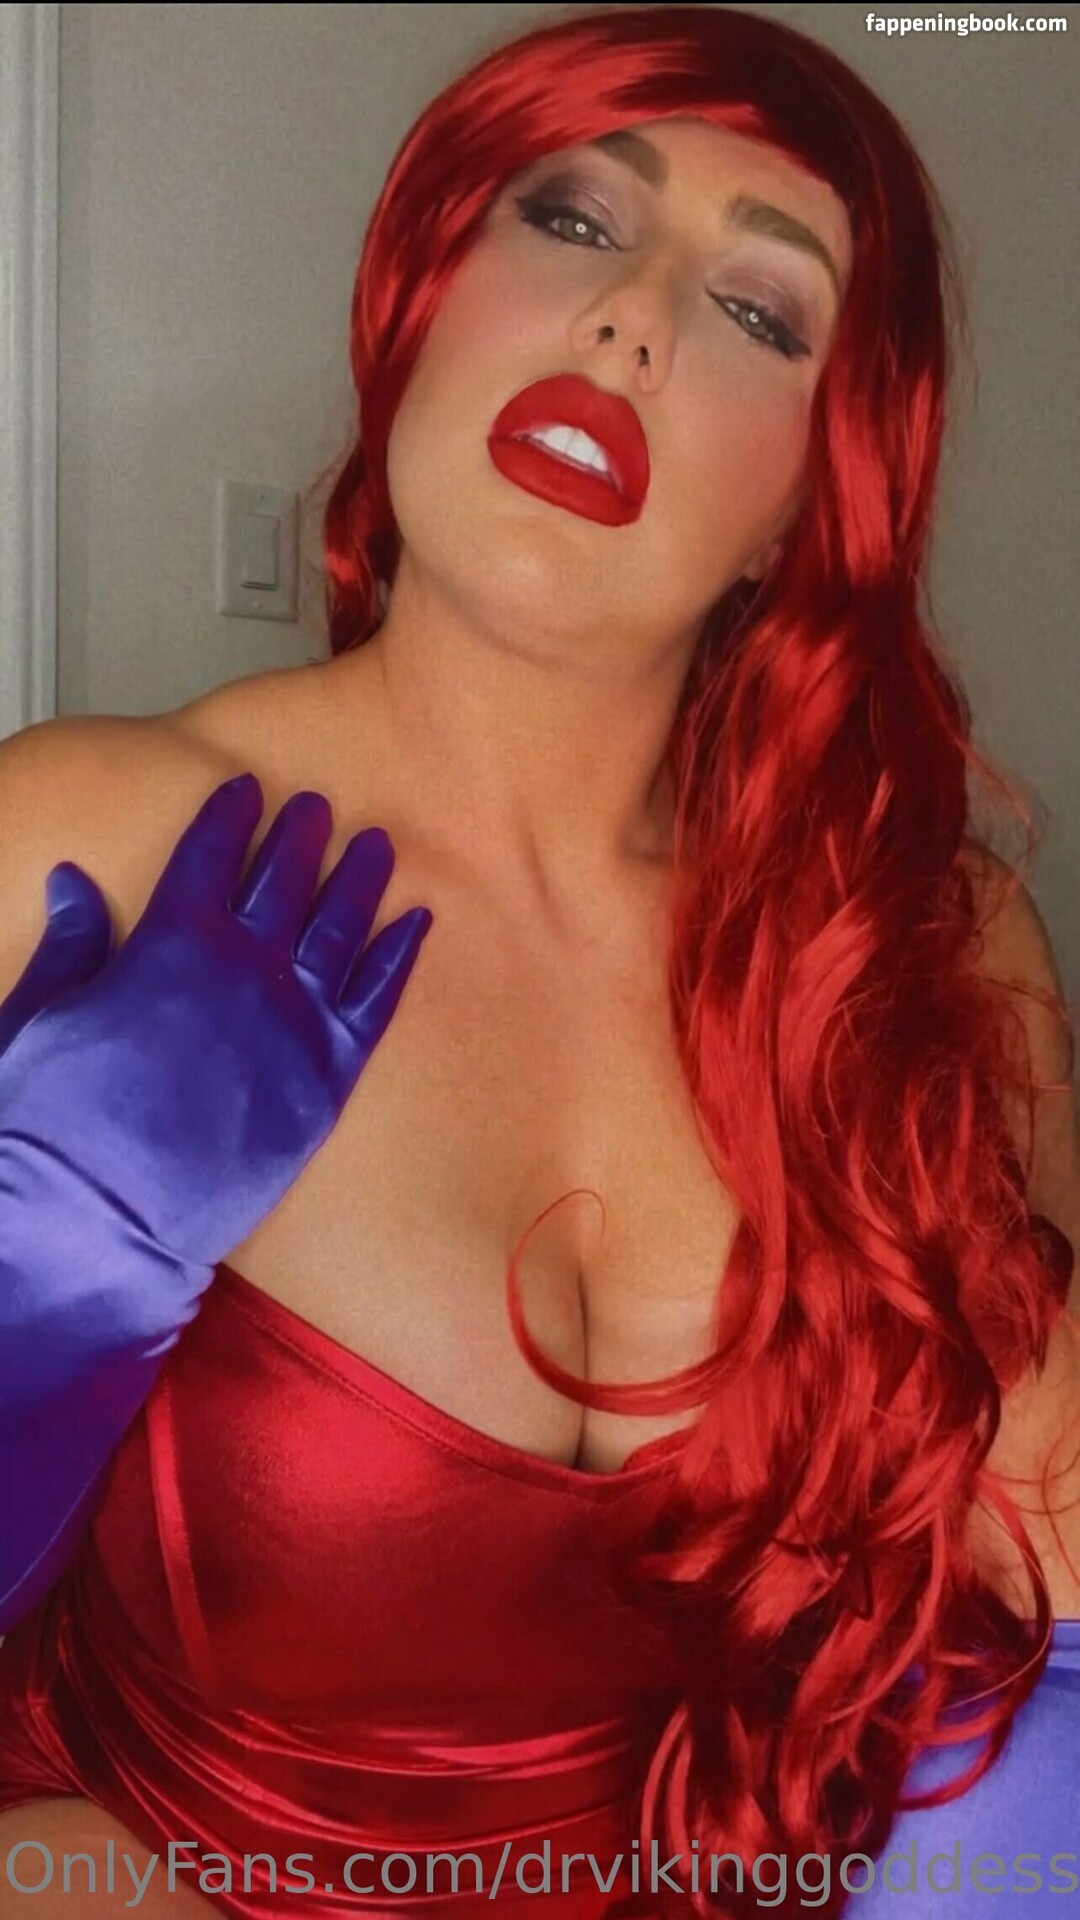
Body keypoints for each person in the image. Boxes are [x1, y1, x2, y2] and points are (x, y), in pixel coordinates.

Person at [0, 4, 1077, 1915]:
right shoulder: (78, 839)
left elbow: (1037, 1630)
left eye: (759, 310)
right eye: (576, 220)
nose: (633, 319)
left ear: (808, 503)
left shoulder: (924, 950)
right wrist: (43, 1275)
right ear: (420, 293)